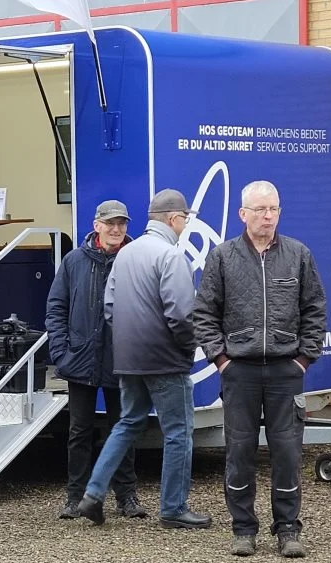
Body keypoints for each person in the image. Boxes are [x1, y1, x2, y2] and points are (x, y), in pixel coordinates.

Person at [192, 180, 326, 558]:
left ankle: (287, 529)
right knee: (239, 451)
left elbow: (314, 309)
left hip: (286, 370)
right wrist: (221, 359)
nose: (268, 216)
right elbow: (204, 313)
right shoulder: (222, 257)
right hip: (240, 372)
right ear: (243, 214)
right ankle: (243, 528)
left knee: (287, 452)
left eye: (274, 209)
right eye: (261, 210)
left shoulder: (298, 255)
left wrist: (304, 358)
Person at [76, 189, 210, 531]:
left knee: (128, 423)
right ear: (173, 219)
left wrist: (127, 340)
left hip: (128, 358)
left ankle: (93, 494)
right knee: (179, 431)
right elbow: (180, 315)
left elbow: (110, 306)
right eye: (185, 218)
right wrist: (187, 348)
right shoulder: (170, 256)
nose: (185, 225)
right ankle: (174, 508)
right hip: (165, 359)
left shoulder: (126, 254)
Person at [46, 200, 147, 521]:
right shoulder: (74, 261)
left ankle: (126, 497)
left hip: (124, 361)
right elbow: (56, 308)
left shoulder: (136, 259)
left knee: (124, 428)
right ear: (96, 225)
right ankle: (75, 497)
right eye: (110, 223)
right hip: (81, 360)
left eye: (122, 224)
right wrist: (62, 352)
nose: (116, 229)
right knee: (79, 431)